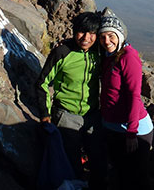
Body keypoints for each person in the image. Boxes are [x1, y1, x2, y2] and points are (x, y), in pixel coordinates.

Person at [36, 11, 106, 189]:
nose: (86, 38)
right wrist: (45, 116)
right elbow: (42, 83)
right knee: (71, 162)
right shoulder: (62, 52)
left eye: (92, 33)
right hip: (66, 116)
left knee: (99, 160)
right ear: (74, 31)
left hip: (92, 115)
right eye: (82, 32)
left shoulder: (99, 51)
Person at [98, 9, 154, 190]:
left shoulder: (129, 57)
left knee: (137, 179)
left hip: (134, 129)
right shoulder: (107, 56)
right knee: (120, 176)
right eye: (103, 37)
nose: (107, 41)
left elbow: (134, 95)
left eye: (111, 36)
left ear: (120, 36)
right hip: (112, 127)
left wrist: (131, 132)